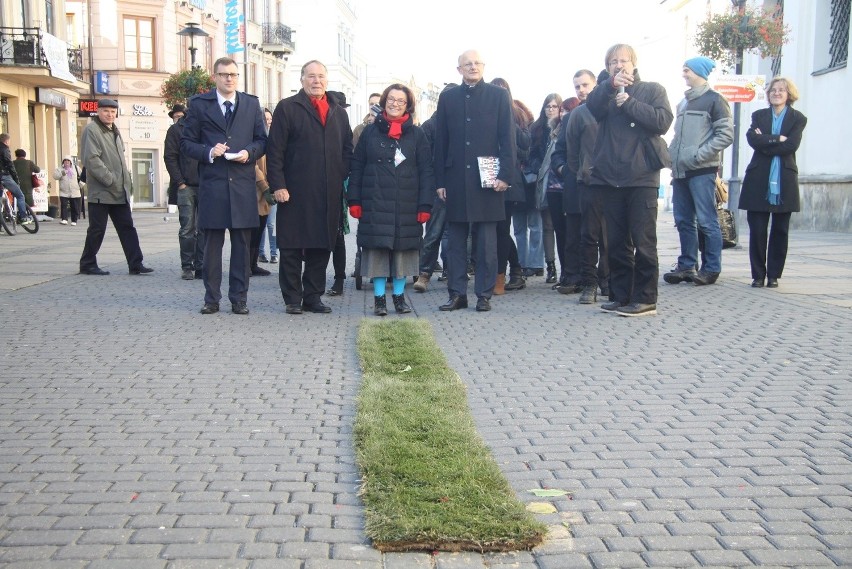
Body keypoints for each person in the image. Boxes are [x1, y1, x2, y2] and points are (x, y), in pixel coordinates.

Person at [585, 44, 673, 317]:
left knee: (643, 241)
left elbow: (662, 121)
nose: (619, 65)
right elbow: (592, 107)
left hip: (642, 177)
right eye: (613, 62)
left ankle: (646, 298)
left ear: (634, 64)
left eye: (624, 61)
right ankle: (620, 295)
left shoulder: (653, 90)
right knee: (616, 242)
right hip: (611, 178)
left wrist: (631, 104)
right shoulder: (605, 93)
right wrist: (610, 86)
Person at [180, 57, 268, 314]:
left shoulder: (251, 104)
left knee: (242, 248)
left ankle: (239, 299)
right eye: (223, 74)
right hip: (213, 186)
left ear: (237, 77)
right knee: (212, 248)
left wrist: (249, 153)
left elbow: (262, 141)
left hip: (242, 186)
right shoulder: (199, 105)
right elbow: (186, 143)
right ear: (215, 77)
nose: (229, 79)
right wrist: (209, 151)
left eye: (233, 74)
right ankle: (211, 299)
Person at [266, 60, 353, 315]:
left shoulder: (338, 111)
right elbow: (275, 151)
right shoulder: (288, 108)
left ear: (327, 80)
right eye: (311, 76)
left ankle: (313, 296)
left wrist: (341, 174)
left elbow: (348, 149)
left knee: (321, 245)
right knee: (292, 246)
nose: (317, 81)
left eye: (321, 77)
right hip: (294, 191)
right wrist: (278, 185)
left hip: (328, 191)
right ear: (302, 79)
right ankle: (293, 298)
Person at [433, 50, 516, 313]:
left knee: (487, 241)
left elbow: (508, 138)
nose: (472, 67)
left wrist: (505, 175)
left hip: (489, 178)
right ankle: (457, 293)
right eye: (467, 64)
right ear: (458, 69)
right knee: (456, 241)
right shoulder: (448, 98)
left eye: (477, 63)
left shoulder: (498, 96)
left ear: (483, 66)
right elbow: (441, 141)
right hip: (456, 177)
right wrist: (440, 180)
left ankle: (484, 294)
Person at [348, 83, 434, 316]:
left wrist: (425, 204)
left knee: (403, 252)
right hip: (375, 203)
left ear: (408, 105)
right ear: (384, 102)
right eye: (391, 99)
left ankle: (398, 298)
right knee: (377, 252)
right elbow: (357, 166)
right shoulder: (369, 132)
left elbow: (426, 170)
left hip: (407, 204)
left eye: (401, 101)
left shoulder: (417, 134)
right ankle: (378, 300)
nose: (395, 104)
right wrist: (354, 200)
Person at [664, 56, 733, 287]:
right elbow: (677, 137)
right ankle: (686, 265)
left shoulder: (715, 100)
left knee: (707, 221)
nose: (683, 74)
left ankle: (711, 268)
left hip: (702, 170)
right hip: (681, 172)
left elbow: (725, 135)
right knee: (683, 220)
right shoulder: (682, 103)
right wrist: (670, 158)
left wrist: (698, 155)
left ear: (699, 72)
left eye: (687, 70)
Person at [739, 76, 807, 289]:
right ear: (768, 94)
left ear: (789, 95)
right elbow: (753, 140)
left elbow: (792, 146)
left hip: (784, 180)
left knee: (780, 231)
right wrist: (777, 138)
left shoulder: (798, 118)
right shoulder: (758, 115)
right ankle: (758, 275)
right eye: (773, 90)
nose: (776, 93)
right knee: (757, 230)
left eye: (781, 90)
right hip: (758, 179)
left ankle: (774, 275)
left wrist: (766, 140)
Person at [78, 99, 152, 276]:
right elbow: (91, 159)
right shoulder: (92, 130)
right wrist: (109, 179)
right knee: (97, 229)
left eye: (113, 111)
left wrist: (126, 183)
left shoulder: (114, 131)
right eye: (106, 111)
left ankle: (136, 264)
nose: (110, 114)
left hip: (119, 191)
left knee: (127, 228)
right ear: (98, 111)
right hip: (101, 191)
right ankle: (87, 264)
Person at [555, 69, 610, 304]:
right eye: (577, 86)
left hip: (611, 183)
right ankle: (582, 279)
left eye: (585, 85)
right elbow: (563, 152)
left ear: (596, 84)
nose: (581, 90)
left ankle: (607, 280)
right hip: (581, 183)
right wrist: (569, 171)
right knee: (581, 235)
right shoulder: (573, 116)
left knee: (608, 236)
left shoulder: (611, 109)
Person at [413, 83, 458, 293]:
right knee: (434, 233)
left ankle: (454, 271)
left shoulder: (461, 121)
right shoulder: (430, 126)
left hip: (458, 185)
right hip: (436, 187)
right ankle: (424, 273)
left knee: (457, 234)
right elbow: (422, 161)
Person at [164, 103, 204, 281]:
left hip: (205, 185)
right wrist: (180, 182)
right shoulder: (176, 130)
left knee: (204, 228)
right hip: (186, 186)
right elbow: (170, 157)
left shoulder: (206, 127)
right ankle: (187, 266)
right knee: (187, 227)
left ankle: (201, 265)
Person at [527, 94, 562, 285]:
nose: (551, 109)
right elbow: (531, 154)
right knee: (547, 226)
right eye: (548, 106)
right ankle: (551, 266)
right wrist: (538, 168)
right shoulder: (537, 129)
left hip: (561, 182)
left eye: (555, 106)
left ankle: (567, 267)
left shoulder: (564, 127)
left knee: (563, 228)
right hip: (544, 182)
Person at [325, 91, 351, 297]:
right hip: (320, 188)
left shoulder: (342, 119)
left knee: (337, 236)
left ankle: (339, 278)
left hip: (337, 189)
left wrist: (341, 173)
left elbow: (347, 150)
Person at [258, 108, 278, 265]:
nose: (268, 121)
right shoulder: (258, 139)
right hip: (259, 189)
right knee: (262, 224)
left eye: (270, 118)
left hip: (274, 187)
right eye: (265, 119)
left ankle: (273, 252)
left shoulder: (276, 138)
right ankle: (260, 253)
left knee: (272, 223)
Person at [0, 134, 33, 224]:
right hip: (4, 176)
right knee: (19, 195)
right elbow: (9, 164)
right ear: (6, 141)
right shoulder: (5, 149)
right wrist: (15, 178)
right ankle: (23, 217)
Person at [53, 157, 83, 225]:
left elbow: (83, 176)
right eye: (65, 161)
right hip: (64, 191)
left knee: (74, 206)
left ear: (71, 162)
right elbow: (55, 177)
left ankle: (74, 220)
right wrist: (63, 172)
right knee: (64, 205)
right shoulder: (60, 169)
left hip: (75, 191)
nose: (66, 162)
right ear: (63, 162)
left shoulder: (76, 168)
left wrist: (81, 185)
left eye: (68, 161)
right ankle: (64, 219)